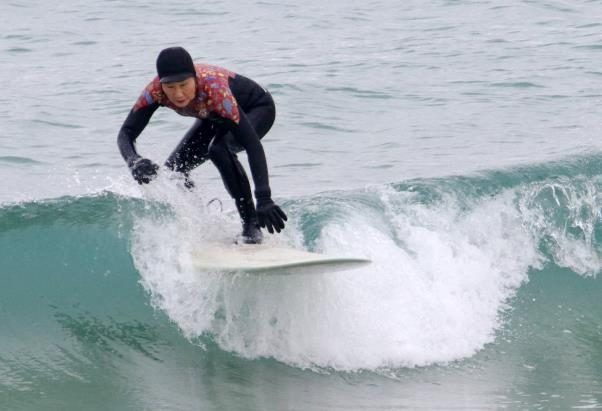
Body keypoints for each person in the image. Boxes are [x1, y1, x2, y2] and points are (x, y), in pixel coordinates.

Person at [117, 46, 287, 244]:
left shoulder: (215, 90)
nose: (178, 94)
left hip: (257, 108)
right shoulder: (154, 92)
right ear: (161, 84)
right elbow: (126, 133)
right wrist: (134, 161)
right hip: (213, 116)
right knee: (175, 170)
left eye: (183, 84)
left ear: (194, 78)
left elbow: (252, 145)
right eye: (170, 87)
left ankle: (251, 225)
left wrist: (264, 197)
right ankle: (200, 220)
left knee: (219, 149)